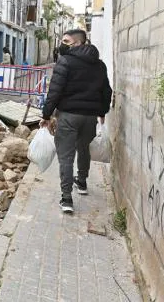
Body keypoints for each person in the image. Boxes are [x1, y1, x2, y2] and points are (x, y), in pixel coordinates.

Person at [40, 29, 112, 213]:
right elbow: (106, 91)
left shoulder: (65, 62)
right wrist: (102, 111)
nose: (62, 44)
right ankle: (82, 182)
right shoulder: (100, 65)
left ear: (78, 43)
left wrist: (46, 115)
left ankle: (66, 199)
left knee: (65, 156)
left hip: (68, 116)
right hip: (89, 117)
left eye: (66, 41)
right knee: (84, 149)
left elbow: (54, 91)